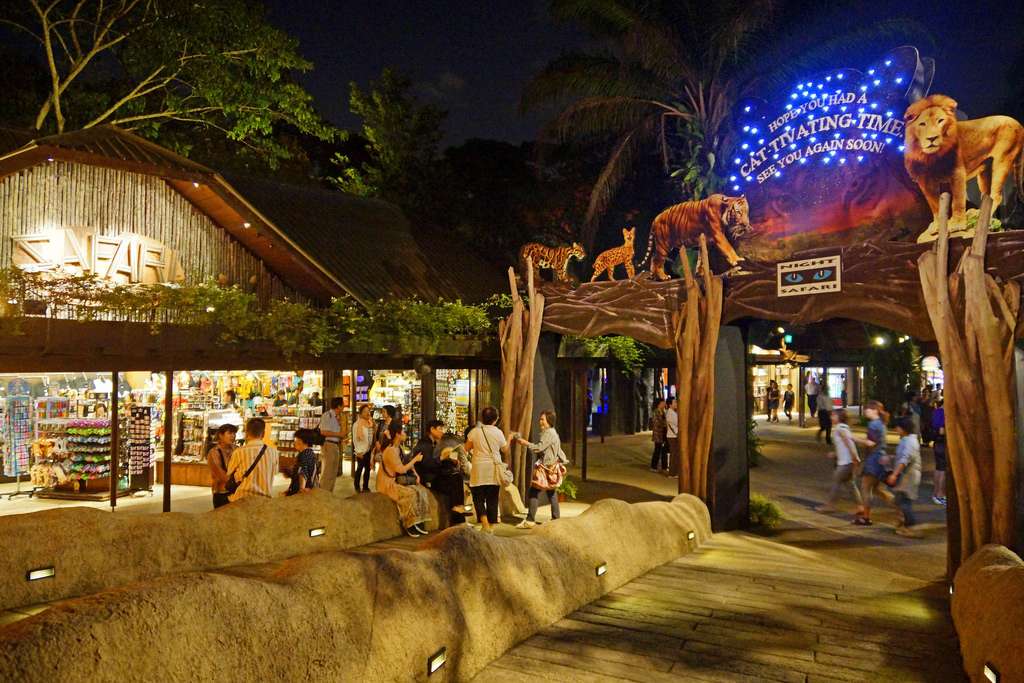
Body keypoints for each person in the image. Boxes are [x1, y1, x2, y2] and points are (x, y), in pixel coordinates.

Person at [377, 419, 431, 537]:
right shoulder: (391, 450)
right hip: (388, 483)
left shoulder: (398, 447)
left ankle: (418, 522)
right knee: (410, 494)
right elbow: (401, 469)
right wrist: (415, 460)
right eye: (403, 432)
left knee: (421, 490)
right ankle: (409, 524)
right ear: (397, 434)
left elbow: (406, 462)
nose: (405, 434)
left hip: (396, 480)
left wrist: (415, 474)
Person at [515, 410, 568, 529]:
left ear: (549, 421)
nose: (540, 421)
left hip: (545, 469)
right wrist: (563, 460)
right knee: (551, 493)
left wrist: (524, 443)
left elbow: (539, 448)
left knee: (533, 492)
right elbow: (558, 450)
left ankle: (530, 520)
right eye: (540, 419)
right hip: (551, 468)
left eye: (542, 419)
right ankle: (556, 519)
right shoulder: (553, 432)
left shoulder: (548, 433)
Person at [414, 419, 467, 525]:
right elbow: (427, 464)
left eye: (443, 429)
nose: (442, 431)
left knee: (457, 476)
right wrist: (442, 458)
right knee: (454, 481)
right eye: (440, 429)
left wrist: (453, 461)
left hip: (437, 475)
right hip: (429, 479)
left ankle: (459, 512)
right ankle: (458, 518)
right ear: (432, 429)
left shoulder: (435, 443)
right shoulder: (424, 445)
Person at [467, 406, 510, 533]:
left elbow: (466, 448)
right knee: (492, 498)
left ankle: (485, 523)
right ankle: (490, 527)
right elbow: (504, 449)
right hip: (493, 469)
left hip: (478, 469)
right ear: (496, 419)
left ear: (482, 418)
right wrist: (510, 439)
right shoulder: (498, 432)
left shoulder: (475, 432)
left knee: (478, 498)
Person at [854, 400, 892, 525]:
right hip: (881, 458)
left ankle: (866, 517)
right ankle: (900, 511)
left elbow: (871, 443)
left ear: (875, 410)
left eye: (868, 409)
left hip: (874, 460)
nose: (866, 411)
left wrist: (854, 438)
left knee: (866, 488)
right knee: (877, 490)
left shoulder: (873, 425)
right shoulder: (881, 423)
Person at [816, 409, 862, 512]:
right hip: (848, 461)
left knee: (836, 482)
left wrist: (854, 457)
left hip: (846, 462)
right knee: (850, 484)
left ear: (840, 417)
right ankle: (860, 506)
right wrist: (836, 454)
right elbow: (845, 444)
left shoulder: (840, 428)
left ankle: (830, 505)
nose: (831, 417)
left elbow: (848, 443)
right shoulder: (844, 427)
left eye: (834, 415)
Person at [225, 418, 280, 502]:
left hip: (241, 498)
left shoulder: (239, 452)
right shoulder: (274, 452)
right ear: (263, 433)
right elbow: (275, 472)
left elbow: (229, 472)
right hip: (264, 499)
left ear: (247, 433)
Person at [888, 417, 923, 537]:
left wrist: (894, 474)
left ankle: (910, 526)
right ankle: (902, 524)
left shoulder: (909, 442)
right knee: (899, 500)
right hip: (906, 476)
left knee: (904, 502)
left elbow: (905, 459)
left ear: (903, 428)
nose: (896, 429)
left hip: (908, 476)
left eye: (898, 427)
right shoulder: (907, 440)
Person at [317, 397, 347, 493]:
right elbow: (323, 431)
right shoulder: (327, 415)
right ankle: (323, 494)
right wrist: (338, 434)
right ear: (339, 406)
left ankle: (329, 493)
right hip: (328, 444)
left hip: (335, 445)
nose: (344, 407)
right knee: (327, 471)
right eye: (343, 405)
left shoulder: (339, 416)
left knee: (333, 472)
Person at [206, 423, 238, 508]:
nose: (233, 436)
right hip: (222, 492)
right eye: (230, 433)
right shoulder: (214, 452)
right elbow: (219, 474)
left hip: (237, 492)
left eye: (234, 433)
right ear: (221, 435)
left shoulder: (237, 450)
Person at [284, 428, 319, 496]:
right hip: (307, 489)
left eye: (295, 439)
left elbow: (303, 472)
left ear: (301, 441)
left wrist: (301, 489)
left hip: (305, 491)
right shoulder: (309, 453)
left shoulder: (305, 454)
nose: (294, 442)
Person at [351, 404, 375, 493]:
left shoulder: (369, 423)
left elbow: (371, 437)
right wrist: (358, 451)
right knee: (360, 468)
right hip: (360, 451)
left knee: (368, 469)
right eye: (365, 411)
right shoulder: (357, 424)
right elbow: (355, 439)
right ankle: (357, 486)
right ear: (360, 413)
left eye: (368, 411)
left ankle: (365, 487)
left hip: (368, 449)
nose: (367, 413)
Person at [931, 399, 947, 506]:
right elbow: (941, 431)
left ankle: (935, 493)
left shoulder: (937, 411)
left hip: (936, 443)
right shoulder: (944, 413)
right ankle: (940, 495)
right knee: (943, 470)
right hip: (942, 444)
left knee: (938, 468)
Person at [649, 398, 668, 472]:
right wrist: (664, 424)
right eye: (663, 403)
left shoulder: (663, 411)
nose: (664, 404)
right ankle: (653, 466)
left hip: (663, 433)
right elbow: (656, 422)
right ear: (659, 404)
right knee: (657, 450)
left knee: (663, 450)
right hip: (658, 434)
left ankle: (664, 467)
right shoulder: (655, 412)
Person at [664, 397, 679, 476]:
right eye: (674, 402)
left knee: (675, 454)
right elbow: (677, 423)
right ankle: (672, 473)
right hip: (672, 436)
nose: (676, 404)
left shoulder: (673, 412)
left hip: (673, 435)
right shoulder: (670, 413)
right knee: (674, 454)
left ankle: (674, 471)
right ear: (670, 405)